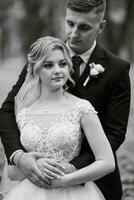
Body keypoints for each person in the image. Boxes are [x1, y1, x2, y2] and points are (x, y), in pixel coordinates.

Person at [0, 0, 130, 199]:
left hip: (91, 179)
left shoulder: (116, 69)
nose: (74, 33)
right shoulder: (43, 56)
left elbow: (115, 132)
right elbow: (8, 111)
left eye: (84, 27)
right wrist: (19, 157)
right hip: (33, 180)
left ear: (101, 26)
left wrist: (69, 168)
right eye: (70, 23)